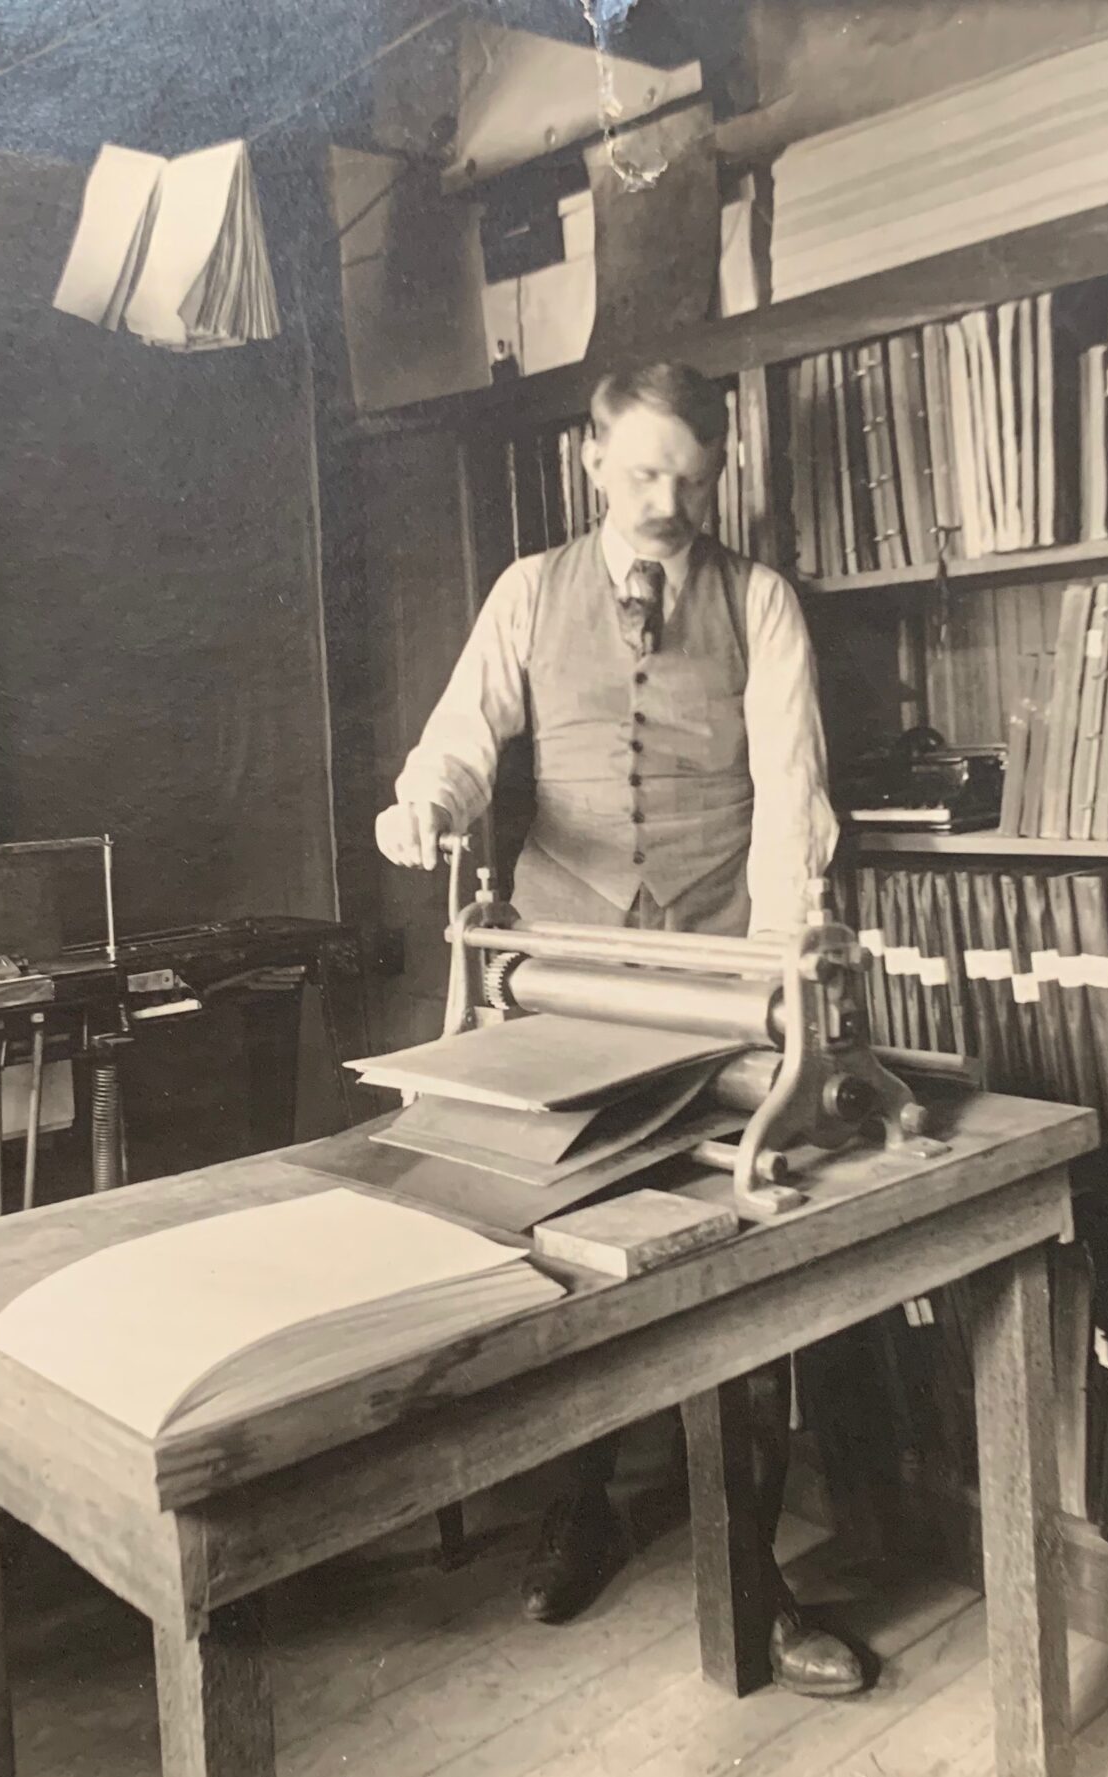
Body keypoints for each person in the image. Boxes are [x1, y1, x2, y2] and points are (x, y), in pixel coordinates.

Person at [374, 361, 867, 1698]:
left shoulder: (759, 603)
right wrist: (427, 806)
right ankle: (579, 1500)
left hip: (709, 979)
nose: (667, 500)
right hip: (561, 976)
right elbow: (464, 739)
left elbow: (790, 788)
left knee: (743, 1257)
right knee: (559, 1262)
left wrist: (777, 972)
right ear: (591, 459)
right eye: (643, 471)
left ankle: (752, 1577)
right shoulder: (528, 593)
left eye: (691, 479)